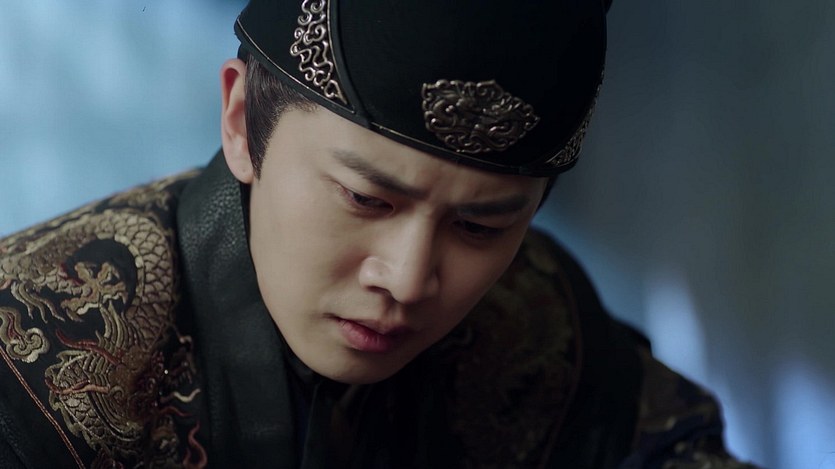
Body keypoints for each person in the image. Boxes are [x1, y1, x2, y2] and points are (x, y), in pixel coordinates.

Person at [0, 0, 760, 467]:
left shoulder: (542, 320)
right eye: (366, 198)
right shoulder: (26, 379)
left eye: (479, 225)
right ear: (240, 122)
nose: (407, 279)